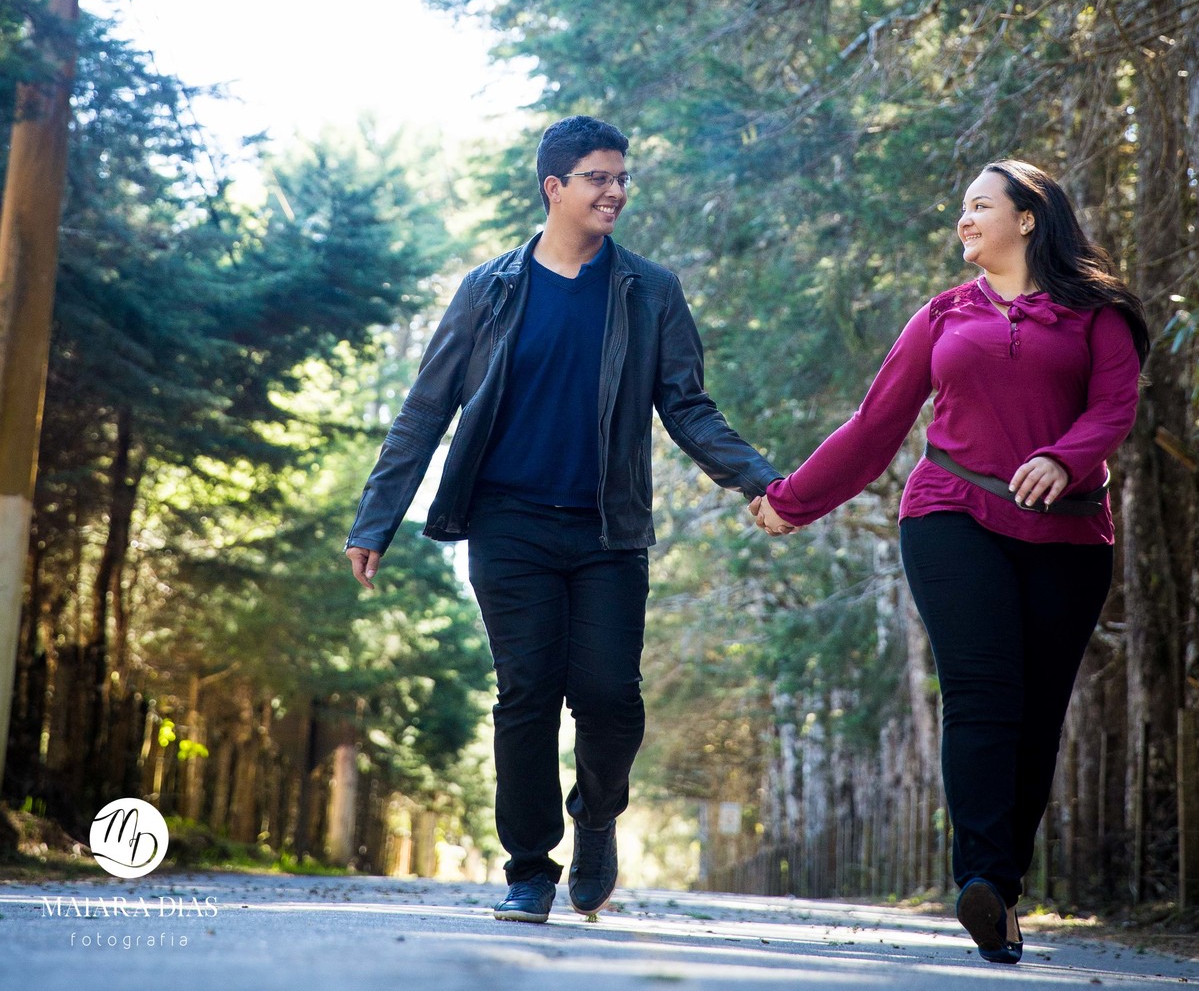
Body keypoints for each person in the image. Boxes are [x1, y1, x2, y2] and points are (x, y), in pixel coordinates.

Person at [345, 115, 781, 922]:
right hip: (506, 520)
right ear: (554, 187)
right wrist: (377, 517)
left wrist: (757, 479)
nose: (616, 191)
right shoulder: (491, 288)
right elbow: (427, 405)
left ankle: (598, 813)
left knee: (610, 696)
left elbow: (687, 405)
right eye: (598, 178)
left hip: (607, 527)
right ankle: (527, 869)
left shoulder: (648, 290)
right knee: (526, 694)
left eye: (622, 177)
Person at [751, 160, 1148, 965]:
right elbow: (873, 426)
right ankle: (978, 881)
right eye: (960, 208)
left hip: (1067, 534)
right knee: (980, 692)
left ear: (1028, 218)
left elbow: (1114, 406)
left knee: (1036, 714)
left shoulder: (1096, 315)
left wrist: (1066, 460)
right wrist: (792, 499)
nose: (962, 221)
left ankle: (1000, 893)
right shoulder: (941, 316)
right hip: (950, 514)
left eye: (978, 206)